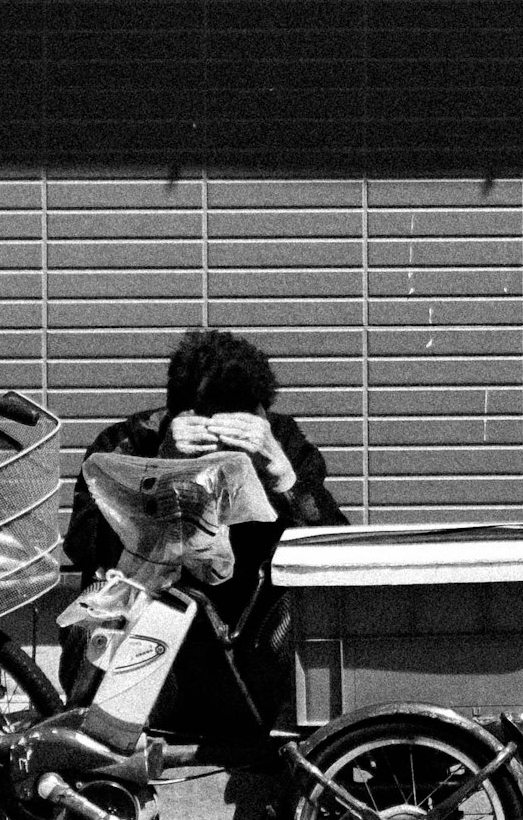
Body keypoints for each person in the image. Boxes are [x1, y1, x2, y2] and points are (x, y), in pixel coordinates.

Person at [59, 326, 347, 768]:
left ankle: (312, 769)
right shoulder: (130, 441)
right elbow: (83, 548)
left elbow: (335, 555)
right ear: (181, 412)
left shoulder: (281, 440)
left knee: (313, 612)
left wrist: (284, 477)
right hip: (159, 650)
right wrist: (163, 468)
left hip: (253, 651)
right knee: (94, 620)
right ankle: (94, 774)